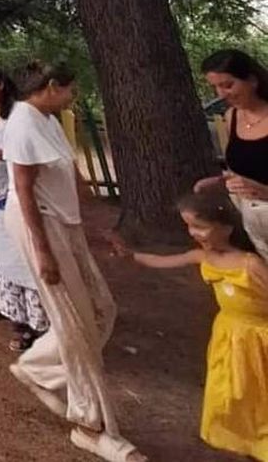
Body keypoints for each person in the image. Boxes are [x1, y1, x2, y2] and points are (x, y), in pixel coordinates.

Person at [4, 61, 145, 462]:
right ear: (51, 87)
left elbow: (73, 178)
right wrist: (43, 251)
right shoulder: (22, 125)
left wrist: (101, 228)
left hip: (64, 226)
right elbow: (24, 193)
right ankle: (92, 426)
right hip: (41, 228)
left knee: (101, 309)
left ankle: (37, 367)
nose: (73, 98)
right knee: (76, 325)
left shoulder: (48, 120)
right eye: (70, 91)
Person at [114, 191, 266, 461]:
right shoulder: (202, 257)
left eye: (200, 226)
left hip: (259, 337)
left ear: (227, 226)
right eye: (189, 226)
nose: (193, 233)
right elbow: (165, 262)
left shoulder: (250, 264)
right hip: (229, 337)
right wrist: (132, 256)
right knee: (233, 391)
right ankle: (247, 443)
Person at [0, 65, 48, 351]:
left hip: (17, 189)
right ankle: (16, 317)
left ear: (1, 84)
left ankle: (38, 323)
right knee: (5, 256)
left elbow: (26, 152)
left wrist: (2, 154)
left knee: (25, 254)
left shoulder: (18, 115)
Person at [197, 49, 268, 260]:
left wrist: (264, 191)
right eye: (216, 87)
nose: (221, 94)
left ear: (252, 81)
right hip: (254, 221)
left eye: (228, 85)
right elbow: (244, 166)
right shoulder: (232, 117)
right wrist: (220, 180)